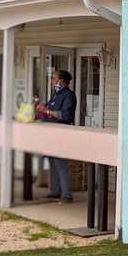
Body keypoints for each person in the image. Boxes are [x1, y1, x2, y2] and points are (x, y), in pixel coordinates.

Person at [36, 70, 77, 203]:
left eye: (54, 78)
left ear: (61, 81)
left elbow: (65, 115)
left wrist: (47, 111)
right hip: (51, 132)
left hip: (62, 133)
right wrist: (42, 109)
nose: (52, 81)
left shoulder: (69, 95)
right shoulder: (56, 95)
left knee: (61, 162)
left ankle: (67, 194)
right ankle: (55, 191)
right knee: (52, 161)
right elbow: (48, 111)